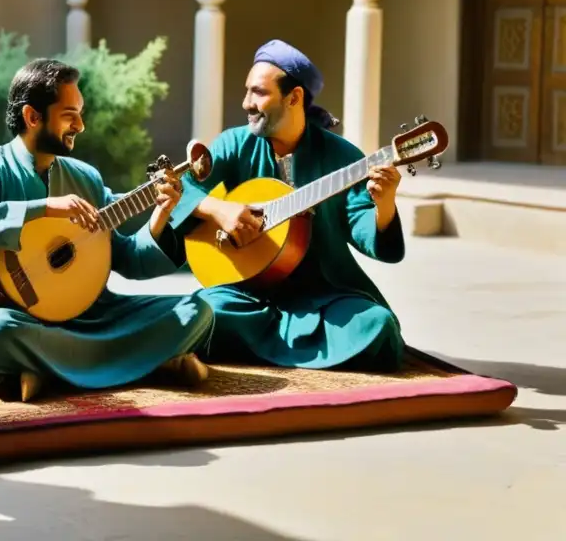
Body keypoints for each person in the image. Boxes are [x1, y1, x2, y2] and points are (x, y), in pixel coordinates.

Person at [0, 59, 214, 402]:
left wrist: (160, 214)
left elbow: (129, 261)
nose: (81, 126)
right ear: (32, 117)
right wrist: (46, 208)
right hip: (15, 315)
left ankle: (48, 372)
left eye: (80, 114)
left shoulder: (86, 178)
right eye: (70, 114)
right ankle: (150, 364)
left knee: (197, 311)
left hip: (90, 315)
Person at [169, 40, 406, 372]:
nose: (246, 103)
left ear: (294, 98)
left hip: (323, 294)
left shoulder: (343, 158)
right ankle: (305, 350)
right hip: (246, 292)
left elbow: (365, 230)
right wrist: (219, 210)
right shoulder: (234, 143)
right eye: (247, 92)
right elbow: (182, 190)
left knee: (377, 326)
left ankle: (250, 347)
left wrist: (384, 206)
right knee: (200, 312)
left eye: (258, 93)